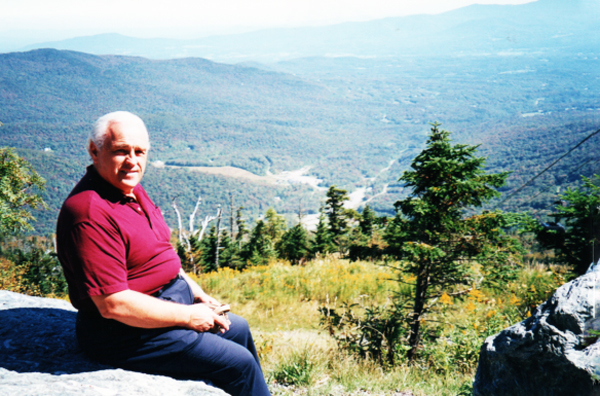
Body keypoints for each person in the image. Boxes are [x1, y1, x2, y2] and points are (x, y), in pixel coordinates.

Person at [56, 111, 271, 396]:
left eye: (139, 152)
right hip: (127, 332)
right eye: (121, 151)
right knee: (238, 363)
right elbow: (113, 304)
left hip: (165, 304)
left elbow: (158, 250)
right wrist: (188, 316)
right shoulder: (90, 212)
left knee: (238, 329)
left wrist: (193, 290)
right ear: (94, 152)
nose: (132, 162)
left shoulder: (129, 190)